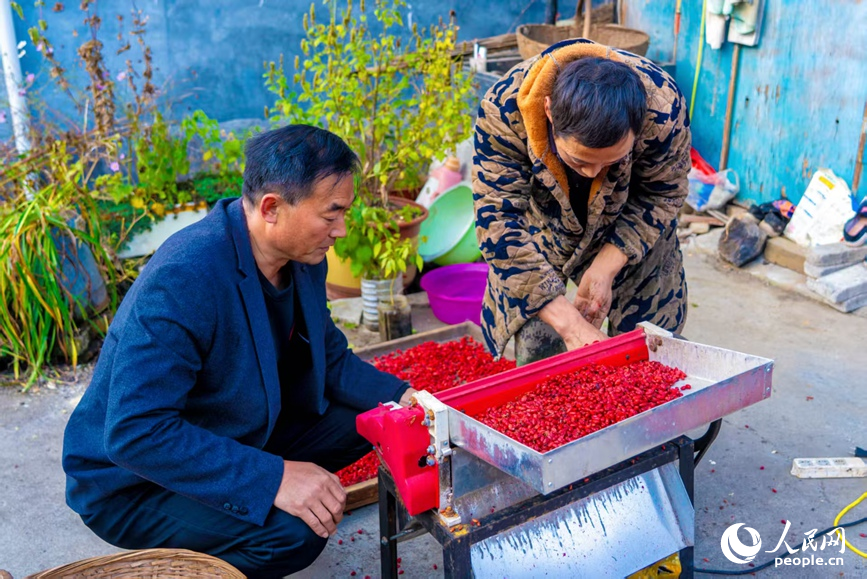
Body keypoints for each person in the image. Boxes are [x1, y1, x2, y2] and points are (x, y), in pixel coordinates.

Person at [62, 125, 417, 578]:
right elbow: (136, 433)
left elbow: (329, 359)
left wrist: (407, 398)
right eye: (331, 215)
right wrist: (273, 479)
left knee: (368, 419)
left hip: (232, 428)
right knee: (292, 536)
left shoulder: (301, 258)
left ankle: (237, 512)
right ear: (271, 207)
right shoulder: (185, 277)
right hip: (134, 481)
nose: (341, 230)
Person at [473, 39, 691, 364]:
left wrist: (606, 265)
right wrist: (570, 325)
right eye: (579, 161)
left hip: (632, 227)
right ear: (549, 112)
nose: (592, 173)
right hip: (542, 232)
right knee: (539, 364)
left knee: (651, 354)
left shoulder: (662, 107)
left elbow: (662, 194)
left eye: (611, 161)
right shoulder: (504, 110)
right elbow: (498, 221)